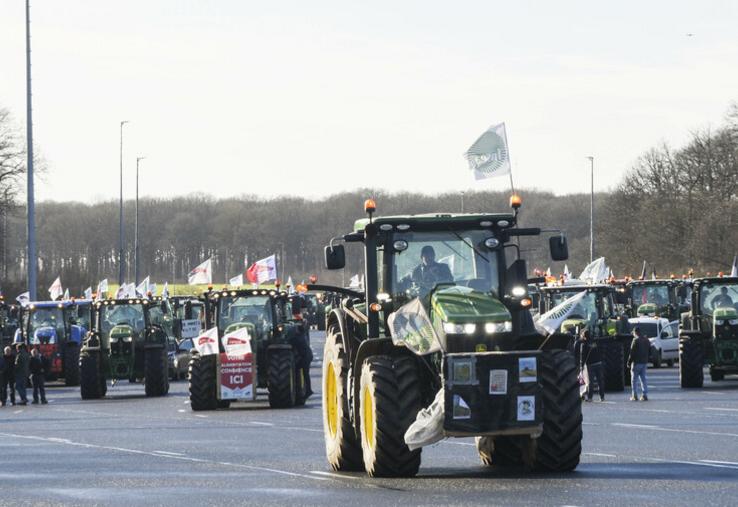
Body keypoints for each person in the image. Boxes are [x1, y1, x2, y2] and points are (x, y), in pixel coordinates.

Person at [578, 329, 605, 402]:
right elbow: (600, 350)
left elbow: (582, 356)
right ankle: (602, 397)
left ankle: (590, 397)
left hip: (590, 364)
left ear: (584, 336)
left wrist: (581, 366)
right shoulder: (595, 342)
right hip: (599, 363)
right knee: (600, 381)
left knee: (591, 382)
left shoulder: (583, 344)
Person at [628, 327, 650, 401]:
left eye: (633, 333)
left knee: (634, 380)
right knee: (643, 379)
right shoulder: (646, 340)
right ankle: (645, 395)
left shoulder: (635, 340)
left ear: (635, 332)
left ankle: (634, 395)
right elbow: (650, 350)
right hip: (644, 362)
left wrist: (629, 362)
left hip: (636, 363)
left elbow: (632, 353)